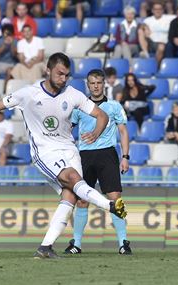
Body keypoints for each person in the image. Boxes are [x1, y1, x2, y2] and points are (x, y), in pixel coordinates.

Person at [0, 53, 127, 259]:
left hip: (69, 149)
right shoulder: (29, 93)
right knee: (73, 179)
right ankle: (110, 206)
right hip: (45, 151)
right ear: (48, 70)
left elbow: (102, 115)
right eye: (60, 74)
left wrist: (97, 132)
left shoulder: (73, 94)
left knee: (70, 195)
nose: (64, 79)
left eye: (67, 75)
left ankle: (45, 247)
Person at [64, 69, 131, 255]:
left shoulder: (114, 106)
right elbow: (67, 129)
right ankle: (76, 244)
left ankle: (123, 243)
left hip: (107, 155)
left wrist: (125, 157)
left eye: (99, 83)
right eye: (92, 83)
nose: (95, 86)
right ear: (88, 84)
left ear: (104, 84)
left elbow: (123, 132)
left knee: (115, 199)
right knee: (82, 201)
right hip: (84, 156)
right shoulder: (80, 107)